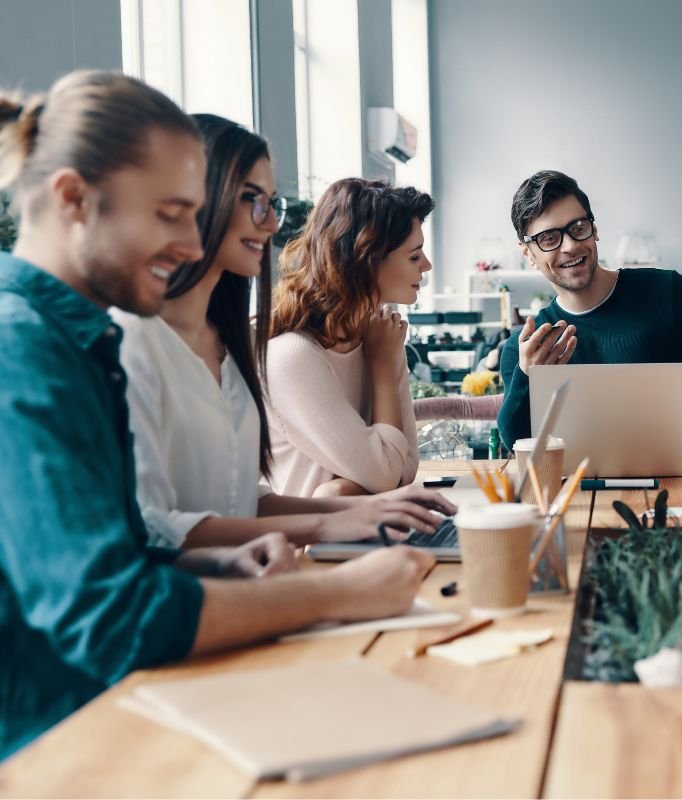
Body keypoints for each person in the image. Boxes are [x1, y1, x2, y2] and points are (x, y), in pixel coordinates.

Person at [0, 71, 433, 760]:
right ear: (74, 200)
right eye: (171, 213)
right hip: (60, 746)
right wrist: (337, 594)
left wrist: (216, 569)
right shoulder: (23, 349)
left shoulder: (80, 341)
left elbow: (123, 552)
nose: (191, 242)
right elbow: (109, 617)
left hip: (127, 710)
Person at [113, 115, 454, 548]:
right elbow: (154, 530)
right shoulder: (136, 341)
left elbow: (242, 501)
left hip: (258, 575)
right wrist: (342, 513)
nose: (273, 223)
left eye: (272, 203)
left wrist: (361, 509)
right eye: (254, 200)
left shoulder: (229, 342)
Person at [495, 170, 682, 448]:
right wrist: (526, 374)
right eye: (548, 238)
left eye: (578, 228)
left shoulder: (668, 291)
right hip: (579, 490)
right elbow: (516, 441)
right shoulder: (528, 349)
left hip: (679, 484)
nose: (570, 246)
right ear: (528, 253)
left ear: (595, 229)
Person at [266, 179, 433, 498]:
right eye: (414, 256)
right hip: (307, 545)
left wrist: (344, 488)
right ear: (368, 261)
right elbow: (386, 473)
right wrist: (383, 367)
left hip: (368, 530)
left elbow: (406, 466)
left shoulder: (379, 335)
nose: (426, 265)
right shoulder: (294, 354)